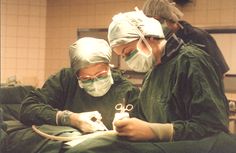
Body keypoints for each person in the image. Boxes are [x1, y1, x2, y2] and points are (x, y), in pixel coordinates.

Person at [107, 10, 229, 142]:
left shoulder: (191, 62)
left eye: (128, 52)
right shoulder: (152, 73)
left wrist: (160, 132)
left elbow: (214, 126)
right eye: (123, 56)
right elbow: (145, 115)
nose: (127, 60)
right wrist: (128, 123)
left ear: (149, 37)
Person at [19, 37, 139, 132]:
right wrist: (69, 119)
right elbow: (28, 108)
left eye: (101, 75)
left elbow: (144, 125)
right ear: (76, 75)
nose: (95, 82)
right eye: (86, 79)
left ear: (109, 67)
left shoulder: (126, 89)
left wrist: (130, 124)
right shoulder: (65, 80)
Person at [142, 0, 229, 77]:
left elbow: (220, 71)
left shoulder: (199, 37)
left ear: (169, 18)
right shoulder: (159, 40)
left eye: (156, 22)